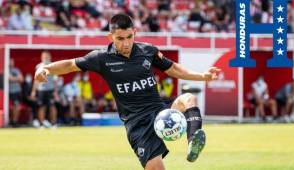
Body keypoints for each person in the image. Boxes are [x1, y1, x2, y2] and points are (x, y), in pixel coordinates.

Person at [34, 13, 221, 170]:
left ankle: (192, 143)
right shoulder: (101, 58)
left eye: (129, 37)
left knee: (189, 98)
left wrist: (203, 76)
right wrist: (46, 69)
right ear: (111, 37)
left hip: (160, 111)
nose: (125, 43)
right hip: (137, 123)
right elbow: (70, 64)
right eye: (120, 39)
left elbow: (173, 69)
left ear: (135, 33)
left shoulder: (148, 51)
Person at [31, 51, 58, 128]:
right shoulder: (38, 66)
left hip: (50, 89)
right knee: (41, 106)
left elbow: (55, 80)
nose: (45, 58)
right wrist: (33, 91)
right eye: (43, 56)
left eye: (46, 56)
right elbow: (36, 80)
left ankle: (53, 123)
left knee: (52, 106)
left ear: (50, 57)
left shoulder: (54, 66)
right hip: (41, 90)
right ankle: (41, 124)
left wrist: (55, 92)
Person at [9, 58, 23, 127]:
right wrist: (17, 78)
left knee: (18, 106)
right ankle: (13, 121)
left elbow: (21, 79)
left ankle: (14, 121)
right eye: (10, 61)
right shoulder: (6, 70)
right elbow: (9, 78)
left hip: (18, 91)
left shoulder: (17, 70)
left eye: (12, 61)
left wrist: (14, 79)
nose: (11, 62)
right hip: (11, 92)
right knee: (15, 106)